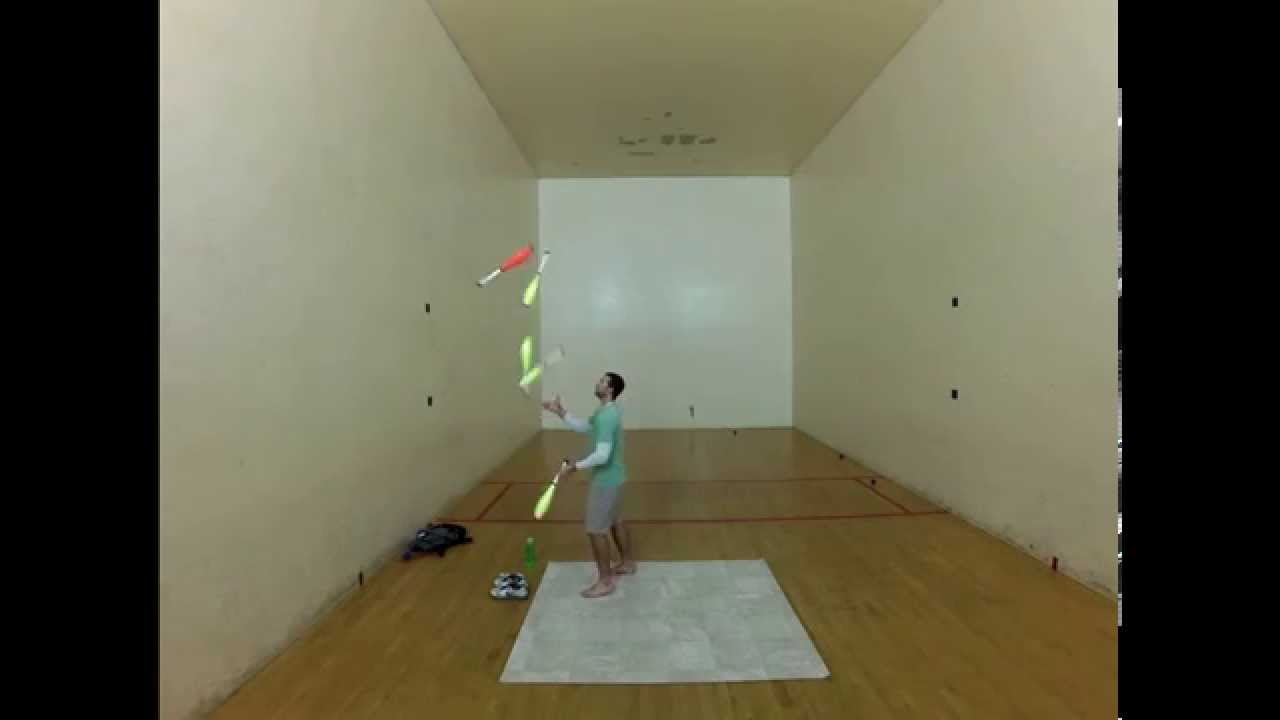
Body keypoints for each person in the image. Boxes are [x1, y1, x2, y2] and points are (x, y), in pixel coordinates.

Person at [542, 372, 633, 598]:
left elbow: (602, 456)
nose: (597, 382)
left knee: (595, 530)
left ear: (610, 389)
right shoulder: (607, 411)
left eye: (602, 381)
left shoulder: (607, 417)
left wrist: (575, 467)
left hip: (605, 482)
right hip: (616, 478)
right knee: (616, 521)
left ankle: (605, 582)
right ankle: (627, 563)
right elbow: (584, 427)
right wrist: (561, 412)